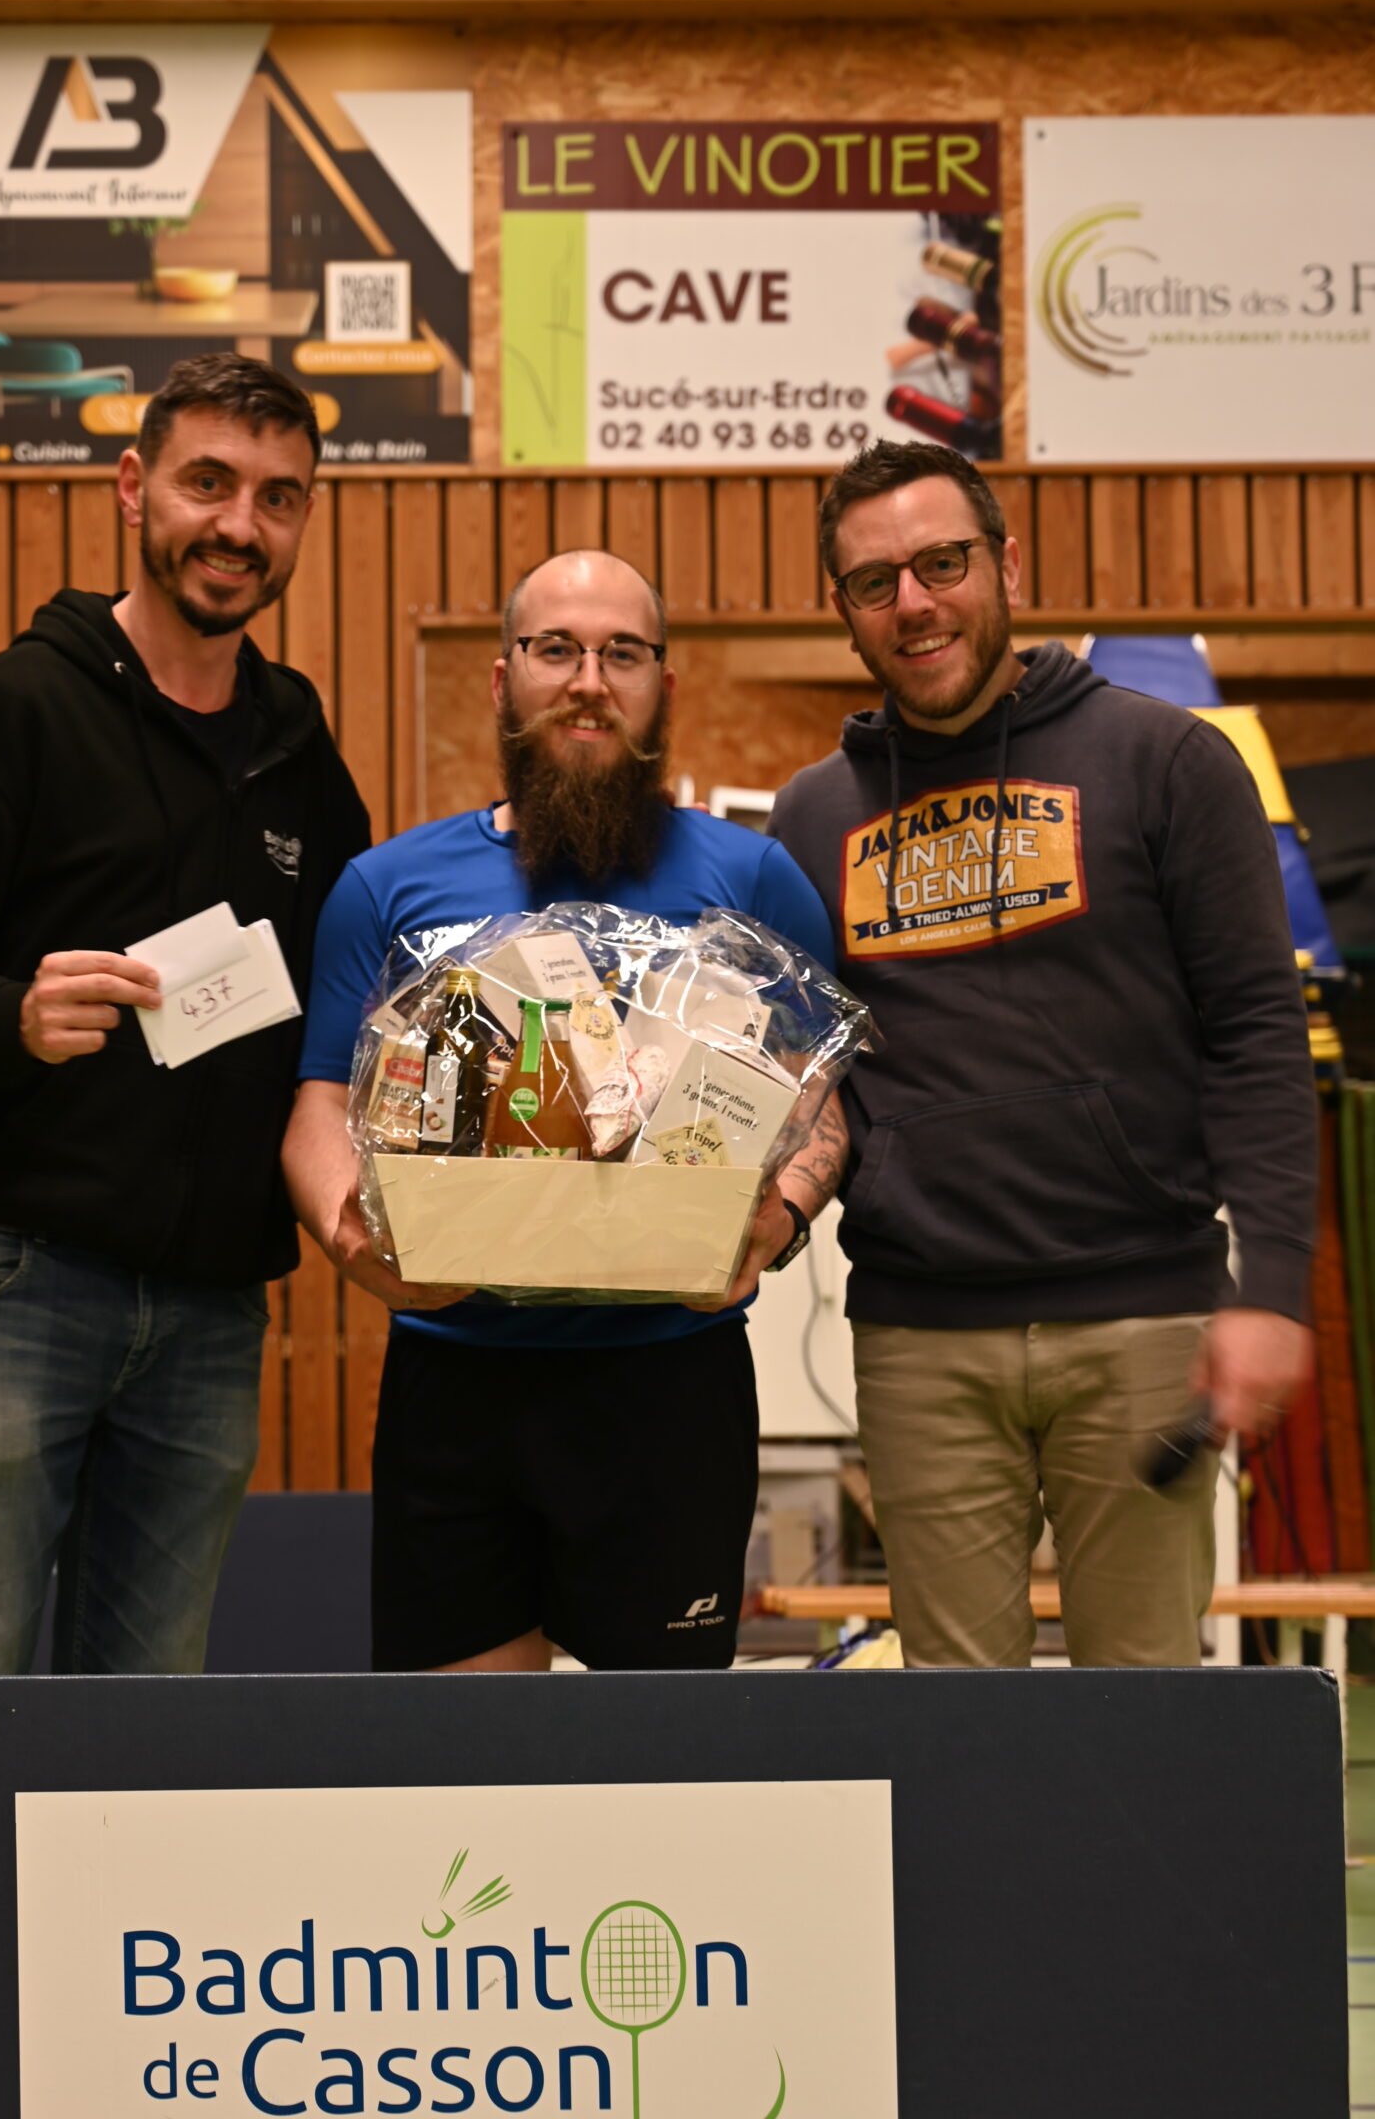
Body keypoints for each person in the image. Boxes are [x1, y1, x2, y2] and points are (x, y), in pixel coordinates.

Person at [0, 355, 368, 1675]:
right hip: (6, 1282)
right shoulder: (17, 708)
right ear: (134, 488)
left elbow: (341, 1022)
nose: (239, 526)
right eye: (208, 483)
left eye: (277, 498)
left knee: (148, 1728)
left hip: (209, 1310)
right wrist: (13, 1016)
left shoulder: (302, 760)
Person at [767, 438, 1316, 1670]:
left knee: (1142, 1704)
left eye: (941, 563)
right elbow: (803, 1078)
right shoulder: (811, 816)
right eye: (874, 582)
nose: (913, 602)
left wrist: (1270, 1287)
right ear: (844, 610)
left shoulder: (1166, 761)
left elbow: (1254, 1034)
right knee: (954, 1722)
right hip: (917, 1335)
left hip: (1141, 1318)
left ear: (1005, 566)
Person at [283, 547, 848, 1674]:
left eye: (621, 654)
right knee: (463, 1748)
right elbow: (320, 1103)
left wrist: (775, 1220)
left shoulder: (754, 879)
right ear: (504, 678)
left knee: (655, 1756)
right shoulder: (387, 886)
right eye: (556, 650)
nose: (588, 681)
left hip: (669, 1374)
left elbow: (823, 1099)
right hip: (454, 1368)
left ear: (661, 687)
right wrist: (353, 1241)